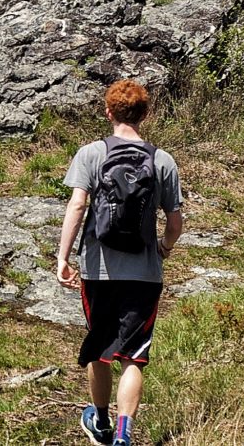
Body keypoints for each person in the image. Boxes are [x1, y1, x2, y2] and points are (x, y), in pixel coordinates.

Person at [56, 79, 183, 446]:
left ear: (108, 112)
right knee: (134, 356)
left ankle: (99, 421)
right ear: (145, 115)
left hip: (98, 271)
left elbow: (77, 205)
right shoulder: (162, 160)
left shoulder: (91, 153)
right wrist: (163, 248)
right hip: (144, 275)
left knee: (101, 346)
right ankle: (124, 435)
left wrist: (63, 256)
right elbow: (175, 222)